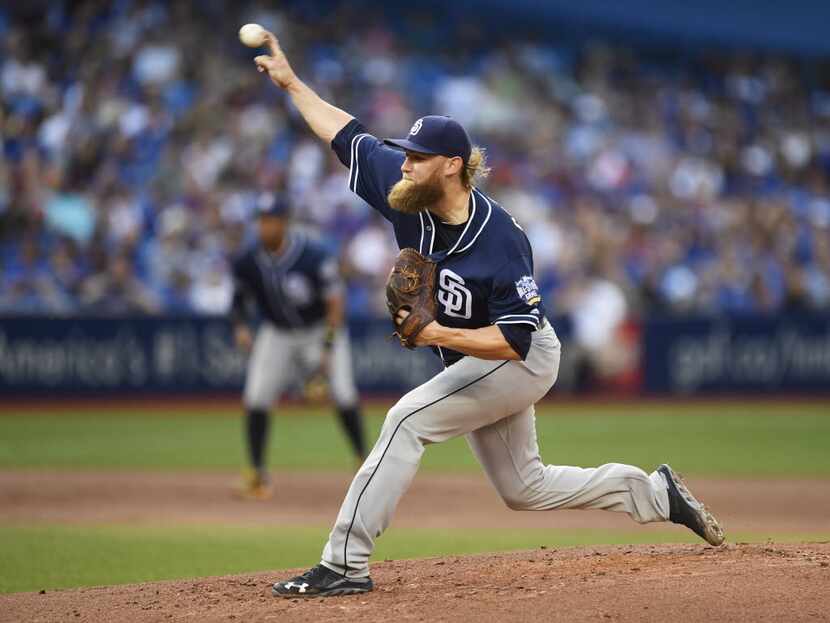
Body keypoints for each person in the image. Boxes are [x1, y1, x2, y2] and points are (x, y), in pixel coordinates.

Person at [252, 32, 724, 597]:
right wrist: (291, 83)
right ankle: (651, 493)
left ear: (451, 166)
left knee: (407, 419)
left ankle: (344, 563)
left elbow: (517, 341)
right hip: (477, 357)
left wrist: (434, 332)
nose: (403, 162)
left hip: (520, 356)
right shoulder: (404, 190)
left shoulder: (500, 240)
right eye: (404, 152)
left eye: (417, 156)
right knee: (524, 487)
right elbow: (344, 132)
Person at [230, 192, 367, 499]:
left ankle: (364, 463)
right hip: (276, 332)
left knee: (344, 393)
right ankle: (257, 475)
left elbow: (335, 302)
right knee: (256, 397)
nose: (264, 228)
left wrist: (327, 348)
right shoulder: (247, 260)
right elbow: (238, 301)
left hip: (320, 329)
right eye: (261, 221)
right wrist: (239, 327)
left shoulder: (313, 255)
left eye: (271, 221)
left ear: (284, 223)